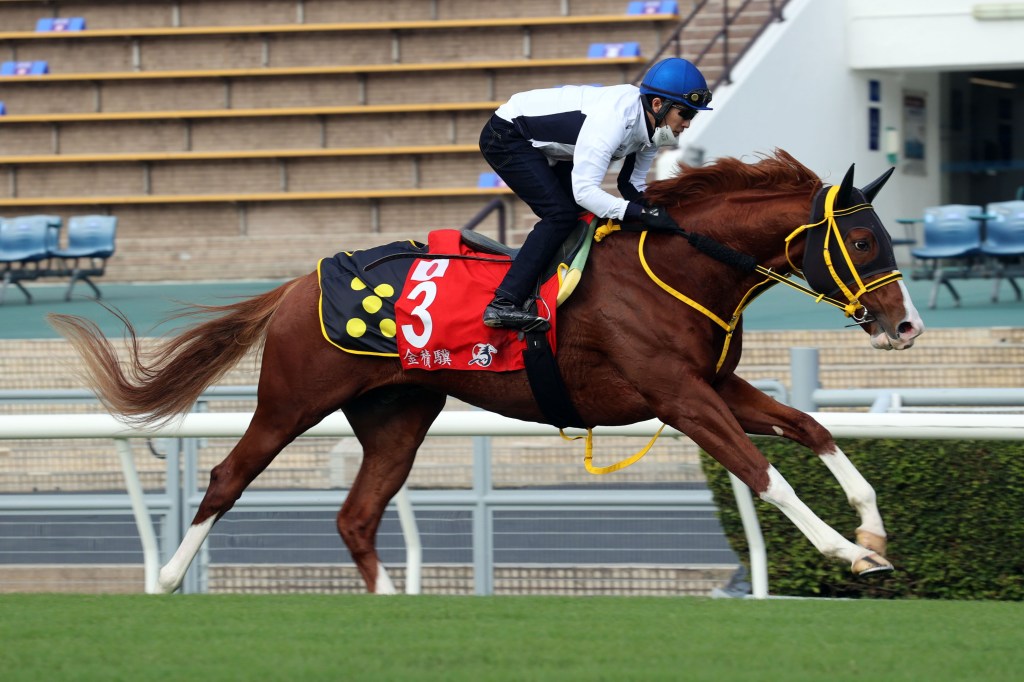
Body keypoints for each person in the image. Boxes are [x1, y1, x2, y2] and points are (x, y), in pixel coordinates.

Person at [478, 57, 713, 331]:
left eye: (693, 116)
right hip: (506, 135)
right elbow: (585, 192)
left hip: (545, 144)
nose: (688, 123)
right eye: (686, 114)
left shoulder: (655, 126)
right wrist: (639, 213)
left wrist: (662, 214)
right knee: (560, 215)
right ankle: (503, 303)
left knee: (582, 216)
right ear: (658, 105)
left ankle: (553, 290)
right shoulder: (613, 120)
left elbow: (632, 185)